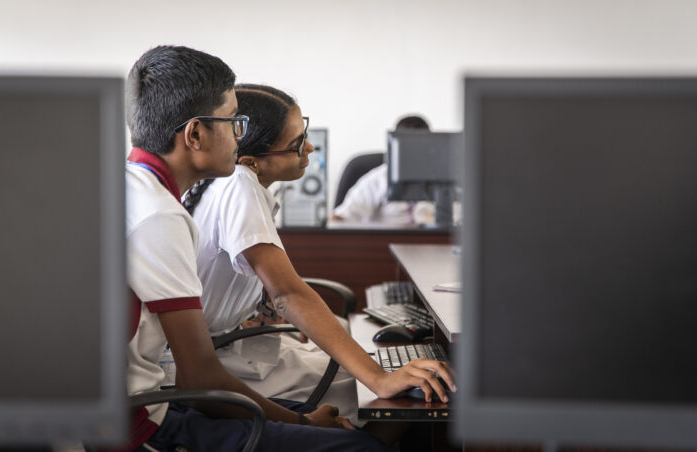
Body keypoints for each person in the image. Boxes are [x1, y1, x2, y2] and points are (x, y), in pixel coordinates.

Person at [124, 45, 390, 452]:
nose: (238, 135)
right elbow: (200, 381)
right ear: (195, 133)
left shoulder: (134, 188)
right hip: (145, 423)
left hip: (146, 400)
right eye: (233, 122)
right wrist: (304, 422)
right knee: (368, 443)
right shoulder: (161, 216)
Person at [182, 85, 455, 430]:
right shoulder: (240, 185)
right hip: (225, 368)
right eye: (297, 144)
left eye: (305, 135)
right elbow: (287, 293)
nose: (309, 147)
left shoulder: (228, 182)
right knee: (389, 398)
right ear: (251, 161)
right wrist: (380, 379)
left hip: (238, 349)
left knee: (375, 366)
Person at [331, 115, 436, 224]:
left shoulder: (440, 180)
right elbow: (341, 217)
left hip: (428, 239)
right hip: (385, 239)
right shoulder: (378, 179)